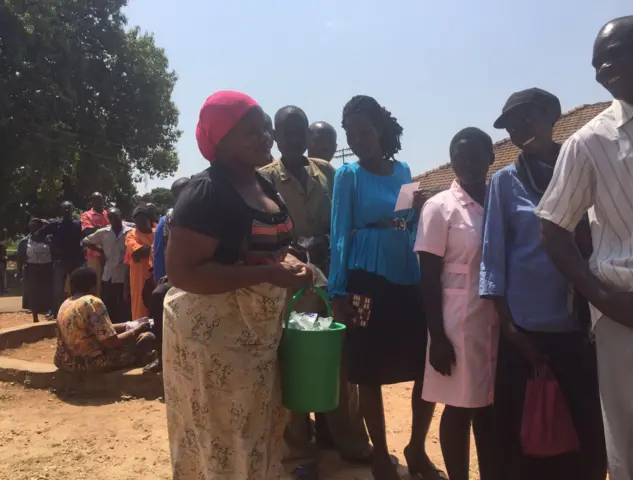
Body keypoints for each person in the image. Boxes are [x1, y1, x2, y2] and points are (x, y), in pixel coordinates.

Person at [162, 90, 313, 479]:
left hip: (259, 337)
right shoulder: (205, 194)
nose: (266, 135)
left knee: (262, 427)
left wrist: (294, 265)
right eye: (252, 130)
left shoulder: (263, 184)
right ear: (221, 139)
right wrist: (266, 274)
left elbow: (272, 247)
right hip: (213, 343)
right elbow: (183, 273)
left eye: (265, 127)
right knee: (224, 436)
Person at [480, 88, 606, 480]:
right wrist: (510, 329)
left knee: (585, 427)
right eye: (512, 126)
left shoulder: (583, 169)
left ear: (552, 116)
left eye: (528, 120)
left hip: (583, 326)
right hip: (527, 334)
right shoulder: (505, 182)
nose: (520, 131)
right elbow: (493, 259)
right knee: (529, 432)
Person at [535, 16, 633, 480]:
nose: (603, 68)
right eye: (597, 62)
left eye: (614, 53)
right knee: (631, 447)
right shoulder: (589, 142)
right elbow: (553, 228)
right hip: (628, 316)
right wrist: (602, 298)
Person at [329, 95, 443, 480]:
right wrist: (337, 291)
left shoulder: (404, 170)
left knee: (423, 367)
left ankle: (415, 446)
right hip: (364, 280)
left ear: (380, 129)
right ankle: (380, 454)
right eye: (351, 134)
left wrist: (422, 207)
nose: (359, 139)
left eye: (365, 131)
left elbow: (409, 226)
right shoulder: (348, 176)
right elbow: (339, 234)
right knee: (369, 370)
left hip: (406, 275)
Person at [261, 106, 373, 466]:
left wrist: (323, 239)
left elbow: (346, 220)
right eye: (287, 132)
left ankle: (349, 441)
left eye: (300, 132)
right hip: (285, 289)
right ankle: (298, 448)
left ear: (309, 136)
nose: (294, 139)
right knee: (292, 363)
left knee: (336, 362)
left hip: (330, 284)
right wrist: (287, 247)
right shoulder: (261, 178)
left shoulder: (328, 172)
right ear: (276, 137)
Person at [415, 128, 498, 480]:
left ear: (491, 158)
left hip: (495, 317)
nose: (467, 162)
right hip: (456, 322)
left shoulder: (499, 199)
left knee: (489, 408)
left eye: (475, 154)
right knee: (460, 406)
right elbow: (429, 276)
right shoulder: (440, 207)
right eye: (459, 155)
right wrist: (438, 337)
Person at [53, 267, 156, 373]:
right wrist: (137, 329)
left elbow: (99, 328)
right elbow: (112, 342)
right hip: (90, 364)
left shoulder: (65, 304)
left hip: (64, 362)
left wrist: (130, 324)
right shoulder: (92, 302)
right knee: (146, 337)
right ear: (93, 285)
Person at [146, 177, 190, 373]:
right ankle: (162, 357)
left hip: (204, 273)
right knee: (157, 297)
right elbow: (161, 250)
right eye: (177, 195)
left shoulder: (207, 214)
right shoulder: (168, 219)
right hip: (177, 275)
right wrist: (166, 274)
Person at [82, 208, 132, 324]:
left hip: (124, 273)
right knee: (108, 303)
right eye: (110, 217)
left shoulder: (130, 231)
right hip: (108, 273)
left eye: (116, 216)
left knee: (124, 304)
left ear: (120, 216)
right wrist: (100, 251)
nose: (113, 219)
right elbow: (85, 241)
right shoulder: (103, 232)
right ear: (108, 219)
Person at [39, 201, 84, 317]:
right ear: (60, 210)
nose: (66, 210)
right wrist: (51, 244)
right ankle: (56, 312)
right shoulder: (55, 224)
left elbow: (85, 237)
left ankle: (75, 312)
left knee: (77, 288)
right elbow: (40, 234)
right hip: (60, 261)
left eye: (68, 208)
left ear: (72, 209)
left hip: (76, 260)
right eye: (64, 208)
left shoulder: (78, 224)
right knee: (58, 289)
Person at [153, 178, 190, 283]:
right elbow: (159, 253)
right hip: (174, 280)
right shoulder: (165, 221)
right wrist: (160, 279)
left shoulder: (206, 216)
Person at [17, 219, 54, 323]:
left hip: (47, 269)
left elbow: (55, 254)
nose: (35, 230)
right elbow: (20, 259)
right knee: (33, 294)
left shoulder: (49, 240)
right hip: (32, 269)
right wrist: (20, 273)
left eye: (37, 227)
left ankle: (50, 313)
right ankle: (35, 317)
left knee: (48, 292)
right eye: (32, 227)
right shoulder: (25, 241)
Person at [124, 205, 155, 321]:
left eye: (143, 219)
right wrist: (155, 247)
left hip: (156, 279)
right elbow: (137, 253)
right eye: (137, 220)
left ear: (149, 219)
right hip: (139, 281)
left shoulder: (157, 232)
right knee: (140, 316)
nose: (140, 223)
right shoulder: (131, 235)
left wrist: (148, 249)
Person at [81, 192, 109, 294]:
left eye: (101, 199)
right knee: (94, 283)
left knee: (107, 283)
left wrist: (97, 229)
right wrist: (105, 229)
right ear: (92, 201)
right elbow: (87, 231)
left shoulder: (108, 214)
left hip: (109, 254)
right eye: (96, 200)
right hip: (94, 254)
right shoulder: (86, 215)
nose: (99, 202)